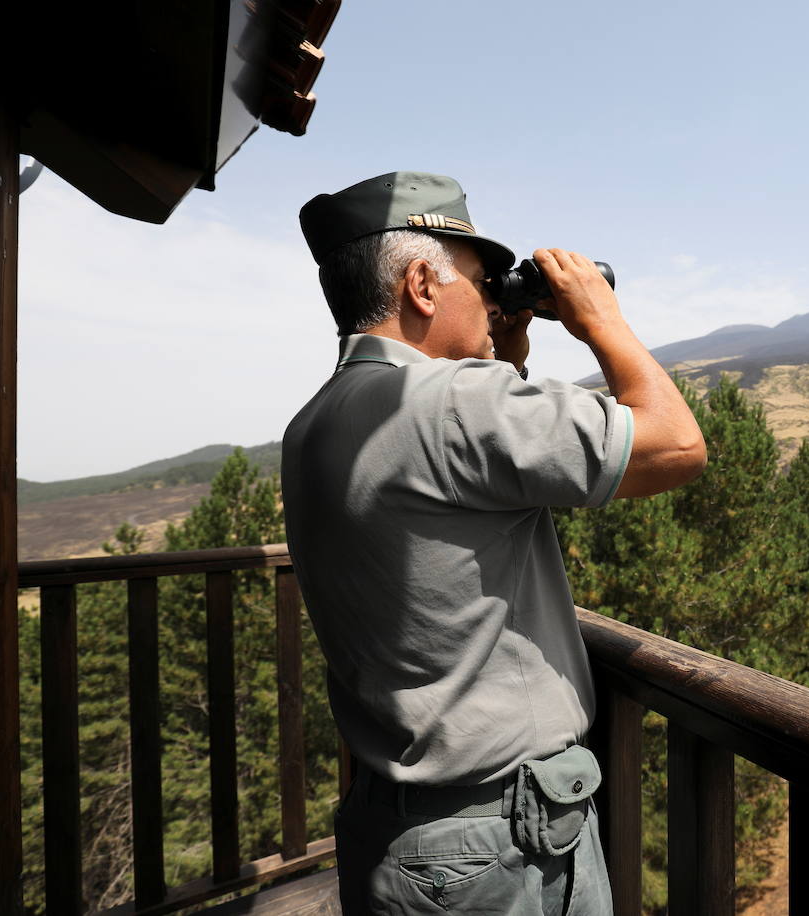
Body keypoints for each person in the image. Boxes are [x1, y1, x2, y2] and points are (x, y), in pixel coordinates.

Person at [282, 171, 706, 914]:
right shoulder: (454, 403)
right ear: (421, 283)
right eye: (481, 282)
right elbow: (676, 448)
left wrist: (499, 357)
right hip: (498, 846)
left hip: (398, 828)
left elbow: (462, 493)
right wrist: (600, 318)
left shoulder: (316, 421)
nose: (493, 297)